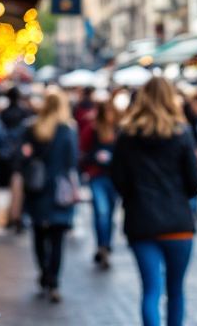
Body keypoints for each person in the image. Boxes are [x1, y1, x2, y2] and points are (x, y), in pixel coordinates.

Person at [112, 77, 197, 326]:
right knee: (175, 291)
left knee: (151, 291)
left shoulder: (127, 134)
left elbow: (118, 180)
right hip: (178, 224)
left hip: (141, 223)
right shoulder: (182, 133)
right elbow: (195, 183)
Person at [20, 86, 78, 303]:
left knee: (38, 234)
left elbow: (22, 158)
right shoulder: (67, 130)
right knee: (57, 239)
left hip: (37, 189)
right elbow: (72, 161)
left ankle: (44, 272)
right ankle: (53, 279)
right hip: (59, 192)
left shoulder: (32, 127)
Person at [80, 98, 120, 268]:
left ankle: (106, 244)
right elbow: (82, 151)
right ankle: (102, 246)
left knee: (110, 214)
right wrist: (94, 159)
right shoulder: (92, 129)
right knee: (101, 212)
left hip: (114, 176)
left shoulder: (119, 130)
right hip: (98, 176)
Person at [0, 87, 35, 232]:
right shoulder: (25, 113)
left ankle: (13, 217)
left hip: (9, 156)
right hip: (19, 156)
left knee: (13, 188)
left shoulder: (5, 113)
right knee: (21, 188)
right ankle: (18, 217)